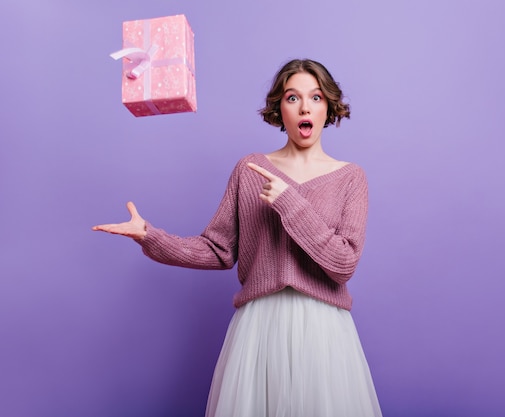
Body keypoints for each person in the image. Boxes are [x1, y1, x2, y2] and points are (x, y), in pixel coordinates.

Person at [93, 58, 382, 417]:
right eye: (293, 98)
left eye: (316, 97)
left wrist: (290, 202)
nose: (305, 107)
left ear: (329, 107)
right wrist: (150, 236)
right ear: (279, 108)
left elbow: (343, 264)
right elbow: (218, 250)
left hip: (323, 330)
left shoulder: (350, 178)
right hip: (259, 328)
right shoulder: (250, 170)